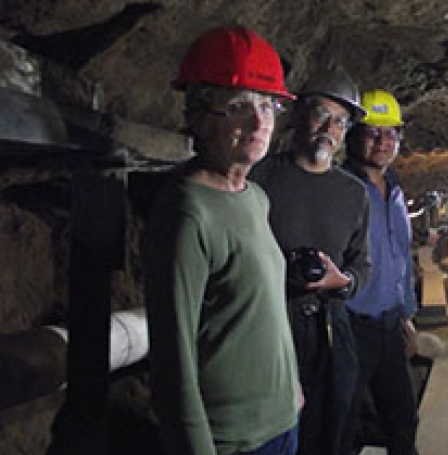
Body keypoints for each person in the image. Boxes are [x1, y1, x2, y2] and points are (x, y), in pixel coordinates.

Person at [142, 26, 301, 455]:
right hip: (233, 439)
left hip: (283, 421)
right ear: (197, 114)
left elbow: (261, 311)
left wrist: (291, 389)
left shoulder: (256, 199)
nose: (259, 121)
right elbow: (173, 361)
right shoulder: (187, 213)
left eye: (268, 105)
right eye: (238, 106)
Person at [251, 66, 371, 455]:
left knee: (332, 433)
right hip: (270, 325)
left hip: (331, 329)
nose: (329, 129)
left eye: (340, 121)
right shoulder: (261, 176)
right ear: (299, 114)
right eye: (321, 114)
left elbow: (362, 263)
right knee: (277, 435)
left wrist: (344, 282)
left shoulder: (353, 193)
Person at [342, 90, 419, 455]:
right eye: (373, 132)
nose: (382, 142)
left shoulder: (397, 190)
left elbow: (400, 255)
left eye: (391, 133)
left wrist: (407, 315)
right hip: (351, 325)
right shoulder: (339, 187)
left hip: (390, 324)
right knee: (342, 422)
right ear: (353, 134)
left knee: (403, 419)